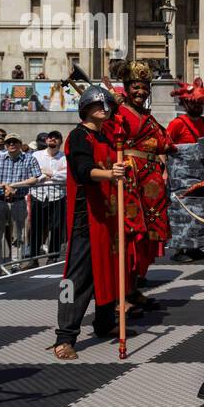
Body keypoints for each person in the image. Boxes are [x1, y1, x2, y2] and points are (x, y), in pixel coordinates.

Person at [53, 86, 128, 359]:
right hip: (85, 215)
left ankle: (105, 322)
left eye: (106, 104)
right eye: (97, 104)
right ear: (85, 108)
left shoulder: (108, 138)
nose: (103, 107)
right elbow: (82, 171)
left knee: (108, 269)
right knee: (76, 276)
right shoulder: (78, 136)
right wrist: (110, 174)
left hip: (107, 214)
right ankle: (65, 336)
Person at [107, 61, 170, 296]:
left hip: (150, 180)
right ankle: (121, 293)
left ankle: (133, 288)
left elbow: (165, 143)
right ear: (126, 87)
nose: (140, 92)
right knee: (130, 234)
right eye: (135, 86)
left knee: (144, 238)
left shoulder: (147, 116)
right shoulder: (116, 112)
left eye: (144, 87)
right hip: (130, 179)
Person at [166, 78, 204, 263]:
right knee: (183, 211)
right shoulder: (177, 123)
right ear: (185, 103)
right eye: (193, 103)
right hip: (182, 176)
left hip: (201, 172)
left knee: (201, 210)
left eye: (200, 104)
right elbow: (166, 148)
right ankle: (181, 248)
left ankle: (196, 246)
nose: (197, 107)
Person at [0, 132, 41, 269]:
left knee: (18, 235)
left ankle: (15, 264)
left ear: (20, 144)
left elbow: (35, 178)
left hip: (18, 200)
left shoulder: (29, 159)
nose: (11, 144)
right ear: (5, 145)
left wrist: (13, 186)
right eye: (9, 142)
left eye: (14, 142)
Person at [28, 129, 67, 261]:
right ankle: (33, 259)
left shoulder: (65, 156)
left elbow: (66, 176)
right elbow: (33, 173)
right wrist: (55, 173)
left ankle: (52, 257)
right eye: (50, 137)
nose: (52, 139)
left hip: (58, 196)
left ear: (60, 141)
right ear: (46, 140)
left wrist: (50, 173)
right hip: (38, 195)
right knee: (36, 228)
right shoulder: (36, 155)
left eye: (56, 138)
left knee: (56, 228)